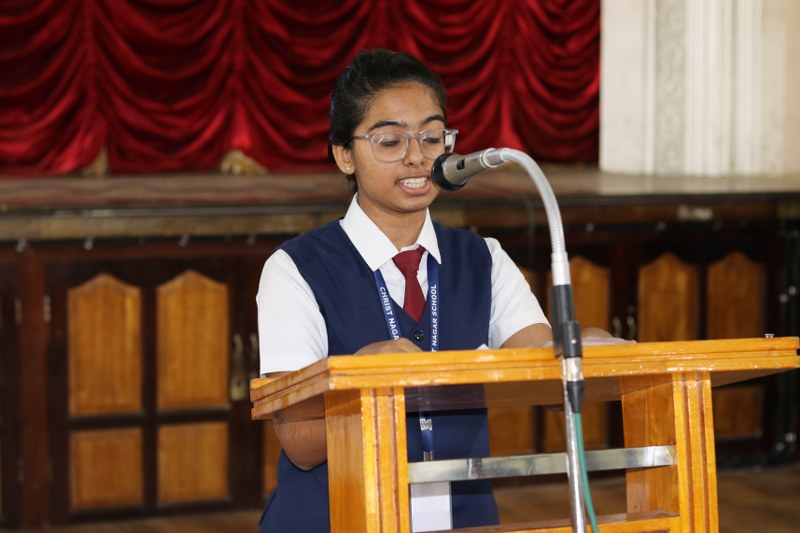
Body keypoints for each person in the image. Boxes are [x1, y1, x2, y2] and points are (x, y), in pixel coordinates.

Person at [256, 48, 614, 532]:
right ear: (344, 155)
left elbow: (543, 378)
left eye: (431, 136)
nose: (417, 157)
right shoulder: (295, 269)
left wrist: (582, 355)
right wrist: (361, 379)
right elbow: (299, 443)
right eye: (390, 141)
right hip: (336, 519)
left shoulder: (483, 258)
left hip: (464, 521)